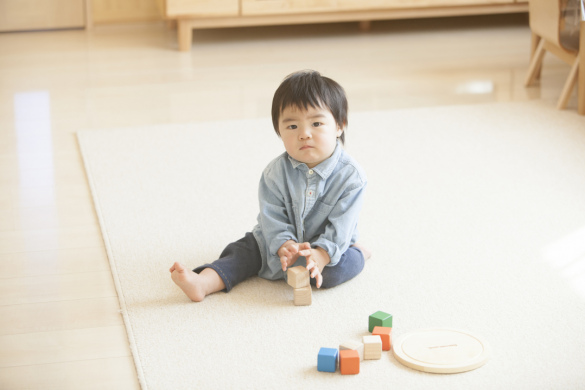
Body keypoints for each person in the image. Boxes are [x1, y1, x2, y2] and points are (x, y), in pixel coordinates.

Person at [170, 70, 371, 302]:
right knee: (240, 252)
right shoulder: (274, 173)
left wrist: (322, 254)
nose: (304, 134)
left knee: (338, 270)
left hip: (325, 245)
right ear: (279, 131)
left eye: (316, 123)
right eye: (292, 127)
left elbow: (341, 226)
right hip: (274, 242)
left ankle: (360, 252)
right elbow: (271, 216)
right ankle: (202, 283)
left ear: (339, 126)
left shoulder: (352, 177)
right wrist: (283, 244)